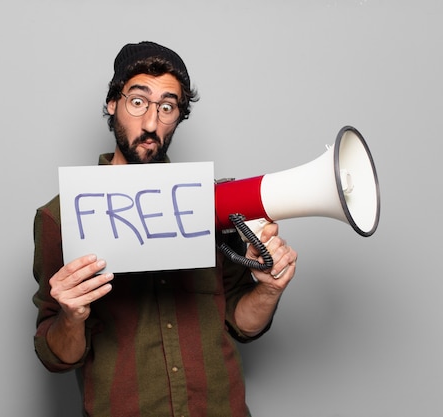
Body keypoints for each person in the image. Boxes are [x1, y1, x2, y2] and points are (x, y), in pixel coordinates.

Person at [32, 41, 298, 417]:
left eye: (168, 107)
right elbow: (57, 356)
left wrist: (268, 291)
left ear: (179, 116)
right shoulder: (58, 218)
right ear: (112, 103)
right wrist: (70, 317)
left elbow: (241, 323)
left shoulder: (215, 204)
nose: (152, 123)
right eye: (138, 102)